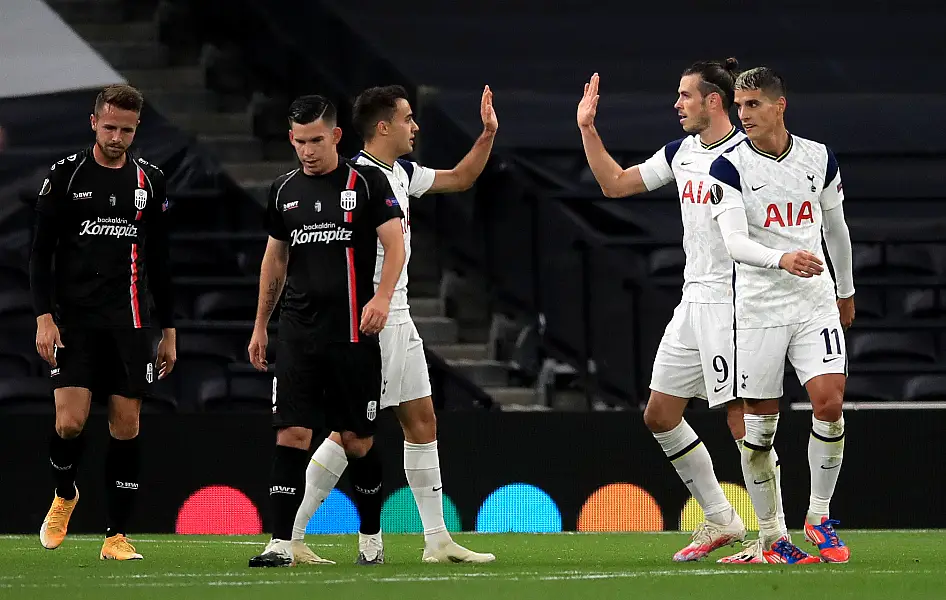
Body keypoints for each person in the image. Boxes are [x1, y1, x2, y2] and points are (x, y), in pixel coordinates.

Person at [291, 85, 498, 565]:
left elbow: (461, 178)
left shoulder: (400, 172)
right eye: (407, 118)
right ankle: (291, 534)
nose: (415, 126)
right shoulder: (354, 181)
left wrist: (487, 133)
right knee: (349, 434)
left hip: (399, 317)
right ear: (383, 126)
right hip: (368, 318)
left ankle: (437, 541)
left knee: (421, 421)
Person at [578, 59, 770, 562]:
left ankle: (773, 534)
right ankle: (720, 518)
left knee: (741, 418)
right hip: (693, 301)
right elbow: (616, 184)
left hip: (735, 301)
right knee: (660, 414)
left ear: (713, 100)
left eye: (685, 95)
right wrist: (587, 129)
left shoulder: (750, 156)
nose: (676, 104)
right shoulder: (682, 152)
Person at [246, 94, 406, 568]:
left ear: (336, 135)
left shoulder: (368, 182)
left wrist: (381, 297)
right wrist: (260, 325)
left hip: (353, 332)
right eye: (299, 141)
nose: (308, 150)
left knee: (357, 439)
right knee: (291, 432)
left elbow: (395, 245)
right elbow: (275, 257)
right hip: (298, 331)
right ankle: (279, 542)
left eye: (316, 140)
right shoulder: (282, 190)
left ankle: (371, 538)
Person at [708, 66, 855, 564]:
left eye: (752, 105)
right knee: (759, 431)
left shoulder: (818, 157)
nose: (743, 114)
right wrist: (782, 258)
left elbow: (837, 230)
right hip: (759, 308)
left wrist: (846, 289)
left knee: (829, 401)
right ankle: (772, 534)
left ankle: (819, 517)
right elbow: (733, 242)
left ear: (779, 105)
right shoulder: (727, 168)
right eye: (739, 106)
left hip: (814, 302)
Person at [29, 84, 176, 561]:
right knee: (69, 424)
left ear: (137, 130)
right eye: (109, 127)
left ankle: (115, 536)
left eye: (126, 130)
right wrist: (44, 317)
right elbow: (39, 254)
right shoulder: (66, 176)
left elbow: (160, 259)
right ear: (94, 122)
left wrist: (168, 330)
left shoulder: (150, 180)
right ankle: (64, 494)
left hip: (130, 324)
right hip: (74, 322)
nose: (117, 137)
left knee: (126, 426)